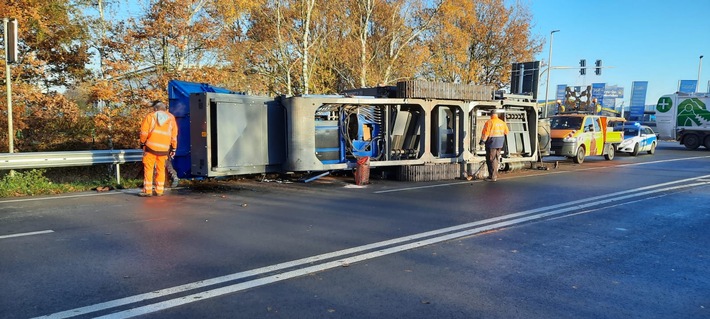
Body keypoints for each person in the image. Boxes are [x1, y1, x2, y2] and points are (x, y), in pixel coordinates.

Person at [139, 101, 178, 196]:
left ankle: (148, 191)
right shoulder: (171, 118)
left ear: (155, 109)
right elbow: (174, 135)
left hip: (150, 148)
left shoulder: (151, 116)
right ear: (165, 109)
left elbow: (144, 132)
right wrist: (173, 148)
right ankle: (159, 190)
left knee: (149, 169)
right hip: (164, 149)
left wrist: (142, 143)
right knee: (161, 169)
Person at [479, 110, 509, 182]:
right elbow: (506, 132)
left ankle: (492, 176)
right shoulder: (502, 122)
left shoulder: (489, 122)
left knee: (491, 159)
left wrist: (482, 141)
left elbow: (486, 133)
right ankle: (493, 175)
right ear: (497, 115)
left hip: (492, 142)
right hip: (500, 143)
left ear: (491, 115)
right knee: (496, 158)